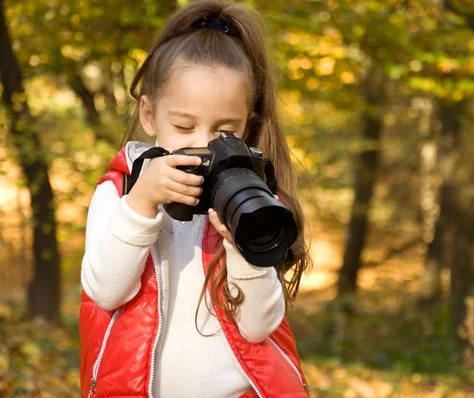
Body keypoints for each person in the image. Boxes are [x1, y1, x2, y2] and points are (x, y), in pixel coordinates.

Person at [78, 1, 311, 397]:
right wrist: (141, 204)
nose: (202, 145)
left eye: (224, 130)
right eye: (184, 126)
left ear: (247, 125)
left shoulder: (251, 199)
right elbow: (104, 292)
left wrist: (243, 243)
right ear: (149, 115)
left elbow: (258, 326)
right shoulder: (118, 193)